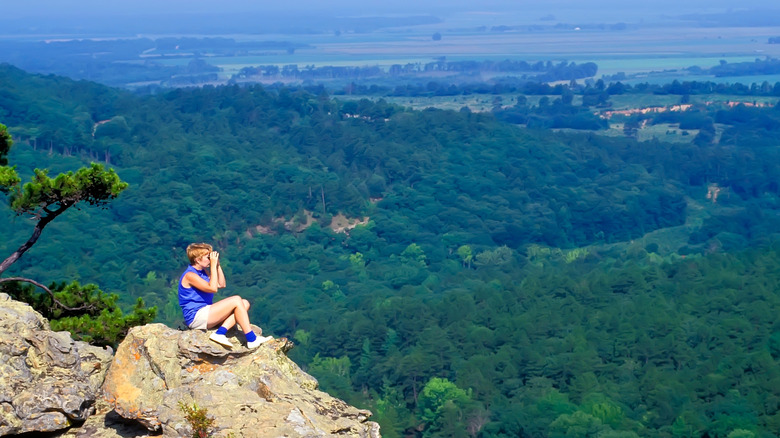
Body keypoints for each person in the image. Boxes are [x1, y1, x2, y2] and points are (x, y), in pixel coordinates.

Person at [178, 242, 272, 349]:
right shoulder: (190, 275)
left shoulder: (203, 272)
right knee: (236, 299)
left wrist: (217, 265)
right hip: (196, 316)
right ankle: (251, 339)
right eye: (207, 257)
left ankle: (220, 333)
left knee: (244, 303)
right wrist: (212, 266)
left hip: (206, 312)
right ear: (197, 259)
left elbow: (221, 284)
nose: (210, 259)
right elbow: (213, 288)